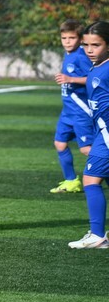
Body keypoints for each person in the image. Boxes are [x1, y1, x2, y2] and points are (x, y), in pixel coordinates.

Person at [69, 20, 109, 249]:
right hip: (100, 132)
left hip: (107, 135)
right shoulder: (97, 67)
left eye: (96, 45)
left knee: (90, 179)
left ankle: (97, 235)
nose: (89, 50)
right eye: (86, 45)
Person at [51, 19, 92, 193]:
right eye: (64, 38)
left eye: (72, 38)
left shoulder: (82, 56)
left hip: (81, 111)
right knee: (60, 143)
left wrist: (71, 79)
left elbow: (95, 79)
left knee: (87, 149)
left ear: (80, 39)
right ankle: (71, 181)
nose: (67, 42)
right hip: (67, 111)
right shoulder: (68, 54)